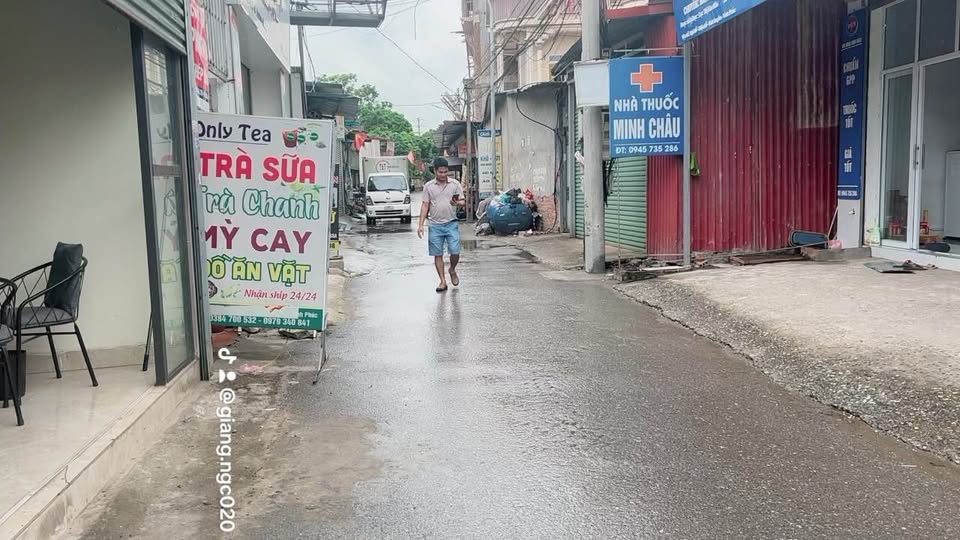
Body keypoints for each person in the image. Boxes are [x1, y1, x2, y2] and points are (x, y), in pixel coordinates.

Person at [417, 158, 466, 292]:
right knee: (437, 254)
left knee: (455, 251)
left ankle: (452, 269)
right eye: (440, 172)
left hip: (451, 223)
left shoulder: (455, 184)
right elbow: (425, 205)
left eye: (445, 172)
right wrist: (421, 224)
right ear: (435, 171)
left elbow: (463, 201)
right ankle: (442, 281)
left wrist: (457, 203)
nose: (443, 175)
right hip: (435, 225)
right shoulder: (428, 187)